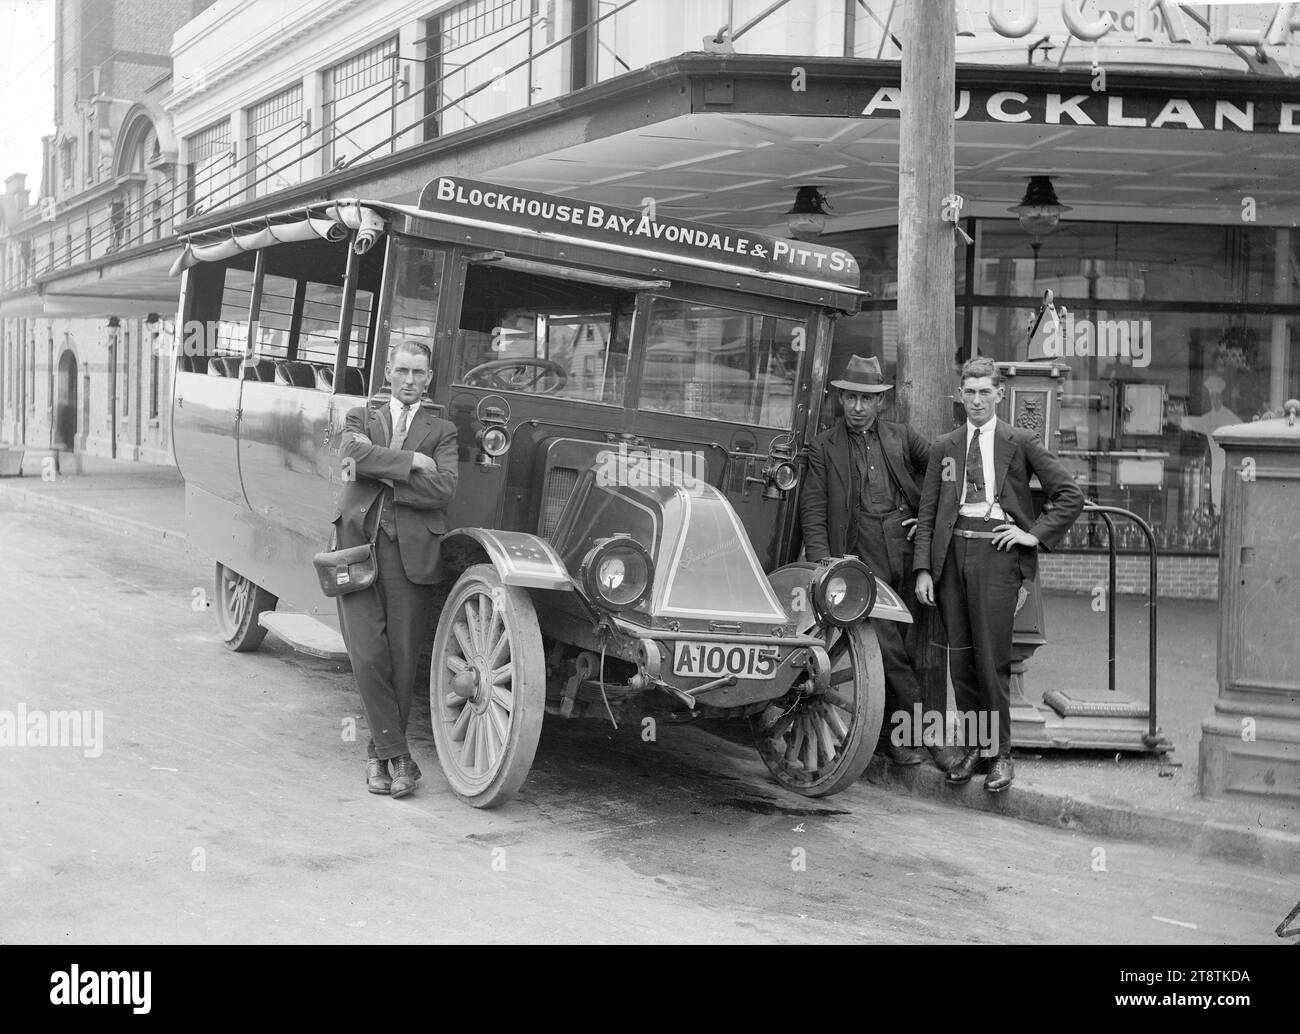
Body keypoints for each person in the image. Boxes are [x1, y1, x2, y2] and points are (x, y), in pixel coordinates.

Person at [913, 357, 1083, 792]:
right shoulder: (945, 447)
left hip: (996, 555)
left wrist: (1032, 536)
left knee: (991, 660)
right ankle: (974, 749)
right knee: (962, 660)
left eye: (984, 392)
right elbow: (929, 514)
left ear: (999, 394)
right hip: (952, 558)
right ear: (960, 395)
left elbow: (1068, 494)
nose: (976, 400)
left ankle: (1002, 755)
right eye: (968, 392)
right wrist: (924, 571)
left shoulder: (1019, 441)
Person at [801, 354, 961, 772]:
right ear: (840, 398)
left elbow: (945, 473)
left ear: (880, 403)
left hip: (907, 552)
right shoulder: (823, 447)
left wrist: (924, 516)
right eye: (851, 398)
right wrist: (826, 569)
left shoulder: (901, 437)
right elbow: (814, 511)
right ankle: (929, 738)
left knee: (907, 649)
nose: (857, 407)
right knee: (889, 649)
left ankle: (892, 739)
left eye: (866, 399)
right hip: (860, 557)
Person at [334, 339, 458, 799]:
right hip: (357, 548)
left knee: (402, 660)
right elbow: (350, 458)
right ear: (387, 371)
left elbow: (443, 488)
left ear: (429, 378)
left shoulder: (442, 429)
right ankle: (400, 756)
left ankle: (379, 756)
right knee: (367, 654)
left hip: (411, 554)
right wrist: (410, 463)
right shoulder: (359, 418)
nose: (409, 380)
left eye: (418, 373)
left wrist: (380, 470)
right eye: (402, 370)